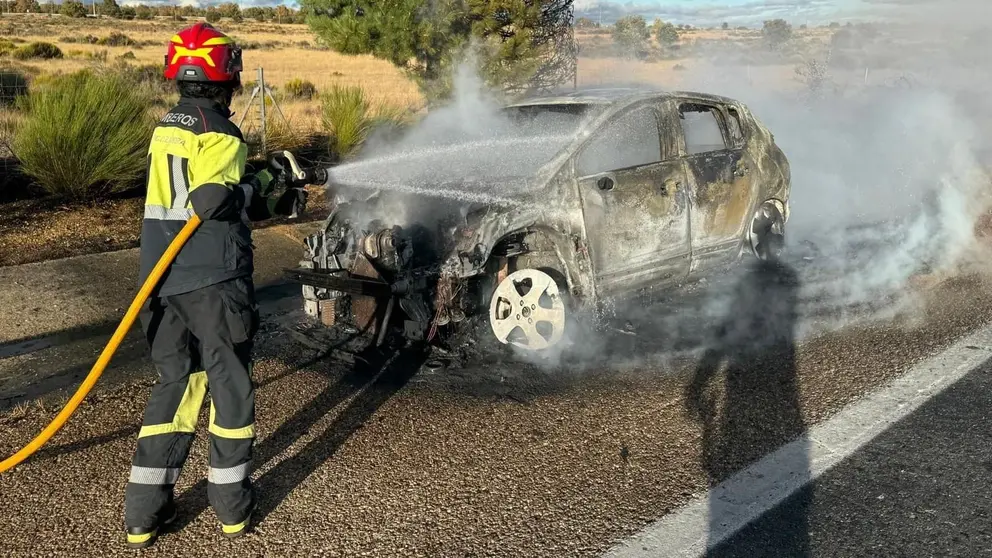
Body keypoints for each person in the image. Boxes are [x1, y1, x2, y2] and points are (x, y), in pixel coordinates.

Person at [124, 22, 308, 549]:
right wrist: (259, 187)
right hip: (213, 281)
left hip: (162, 280)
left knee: (176, 384)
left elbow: (182, 199)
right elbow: (208, 201)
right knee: (230, 388)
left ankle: (143, 514)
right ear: (226, 75)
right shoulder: (221, 132)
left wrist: (243, 189)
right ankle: (231, 507)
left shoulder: (168, 125)